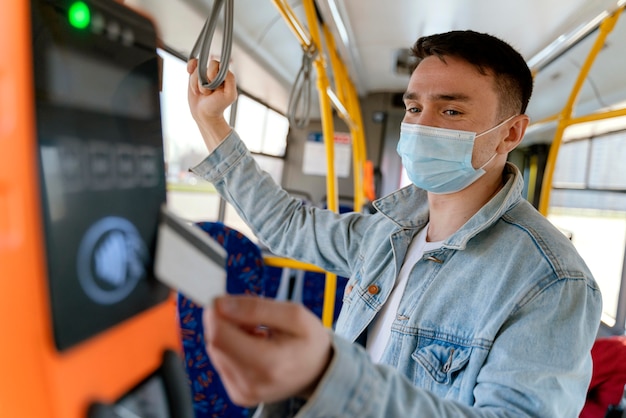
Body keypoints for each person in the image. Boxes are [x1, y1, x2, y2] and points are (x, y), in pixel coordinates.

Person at [186, 30, 602, 417]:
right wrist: (211, 121)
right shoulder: (387, 232)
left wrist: (331, 374)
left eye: (451, 110)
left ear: (510, 134)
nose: (421, 125)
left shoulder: (552, 283)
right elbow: (288, 226)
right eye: (415, 107)